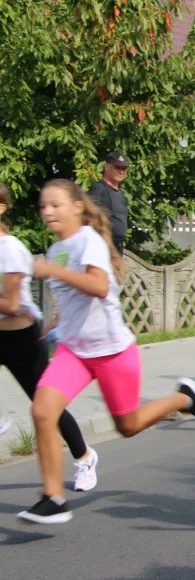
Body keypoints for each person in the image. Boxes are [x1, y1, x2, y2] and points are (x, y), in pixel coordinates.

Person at [20, 180, 195, 524]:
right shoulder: (57, 247)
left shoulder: (87, 241)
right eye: (42, 206)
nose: (47, 212)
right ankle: (53, 497)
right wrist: (57, 325)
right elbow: (71, 297)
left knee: (128, 425)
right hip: (74, 350)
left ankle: (184, 398)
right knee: (43, 409)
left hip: (112, 351)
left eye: (55, 205)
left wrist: (52, 270)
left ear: (77, 206)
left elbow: (98, 286)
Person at [0, 184, 97, 493]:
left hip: (22, 340)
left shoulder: (10, 248)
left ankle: (84, 456)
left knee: (46, 406)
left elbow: (12, 304)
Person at [87, 152, 130, 255]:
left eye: (123, 168)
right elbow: (87, 218)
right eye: (117, 167)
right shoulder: (99, 189)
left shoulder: (120, 193)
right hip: (103, 248)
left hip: (117, 247)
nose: (121, 171)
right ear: (106, 166)